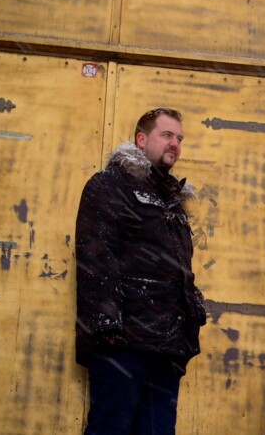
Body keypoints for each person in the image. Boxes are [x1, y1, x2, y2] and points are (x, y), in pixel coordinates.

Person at [75, 107, 206, 435]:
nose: (174, 143)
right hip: (123, 342)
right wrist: (107, 327)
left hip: (167, 345)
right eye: (166, 135)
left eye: (179, 138)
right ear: (141, 139)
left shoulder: (172, 200)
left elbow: (181, 272)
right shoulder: (110, 185)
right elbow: (96, 257)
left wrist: (192, 319)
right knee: (110, 429)